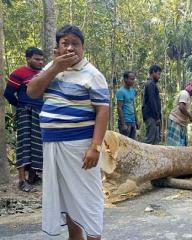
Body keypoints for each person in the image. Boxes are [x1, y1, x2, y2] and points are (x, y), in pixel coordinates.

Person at [27, 24, 109, 240]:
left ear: (83, 48)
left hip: (80, 148)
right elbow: (32, 92)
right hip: (52, 146)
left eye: (75, 44)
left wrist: (95, 147)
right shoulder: (50, 68)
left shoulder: (93, 74)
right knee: (66, 198)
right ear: (58, 46)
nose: (70, 48)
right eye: (65, 43)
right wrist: (55, 67)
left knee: (88, 199)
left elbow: (103, 111)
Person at [3, 47, 44, 192]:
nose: (40, 62)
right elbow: (8, 94)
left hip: (41, 113)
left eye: (41, 59)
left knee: (38, 145)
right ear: (28, 59)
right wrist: (21, 106)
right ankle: (21, 180)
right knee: (24, 144)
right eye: (36, 59)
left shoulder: (44, 73)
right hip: (25, 113)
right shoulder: (18, 73)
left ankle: (33, 177)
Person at [167, 81, 192, 146]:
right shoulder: (184, 93)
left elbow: (185, 110)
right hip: (176, 121)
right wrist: (190, 116)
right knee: (175, 146)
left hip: (181, 123)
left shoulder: (188, 96)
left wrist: (190, 117)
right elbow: (181, 107)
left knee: (182, 145)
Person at [142, 64, 162, 144]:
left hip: (153, 116)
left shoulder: (152, 84)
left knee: (156, 139)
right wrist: (157, 116)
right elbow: (152, 101)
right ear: (153, 72)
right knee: (150, 139)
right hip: (151, 115)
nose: (159, 76)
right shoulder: (150, 84)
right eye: (158, 74)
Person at [116, 71, 140, 139]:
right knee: (125, 144)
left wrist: (136, 120)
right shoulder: (120, 92)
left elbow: (133, 105)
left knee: (133, 143)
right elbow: (119, 108)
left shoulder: (132, 90)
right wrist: (123, 124)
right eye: (131, 79)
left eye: (134, 79)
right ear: (125, 79)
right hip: (125, 121)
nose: (133, 81)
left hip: (132, 121)